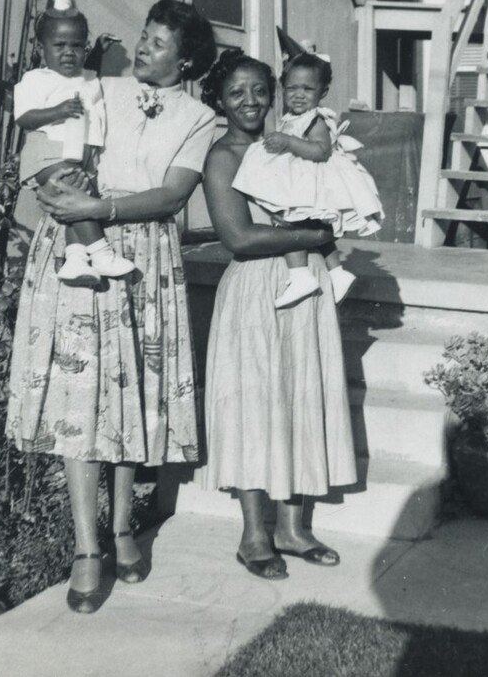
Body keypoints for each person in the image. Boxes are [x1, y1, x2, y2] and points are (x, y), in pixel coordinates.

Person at [6, 0, 218, 613]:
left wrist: (100, 208)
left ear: (185, 60)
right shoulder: (102, 88)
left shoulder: (198, 116)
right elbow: (44, 138)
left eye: (158, 42)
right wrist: (61, 194)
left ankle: (125, 528)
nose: (144, 47)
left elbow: (173, 194)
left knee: (134, 393)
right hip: (76, 242)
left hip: (142, 252)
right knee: (81, 397)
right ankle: (86, 547)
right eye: (145, 35)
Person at [197, 49, 357, 580]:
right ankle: (253, 535)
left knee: (302, 396)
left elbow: (331, 194)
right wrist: (313, 236)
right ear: (219, 99)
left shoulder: (294, 144)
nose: (250, 101)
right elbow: (238, 237)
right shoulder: (223, 156)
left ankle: (292, 528)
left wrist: (325, 228)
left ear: (274, 95)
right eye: (237, 92)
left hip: (304, 284)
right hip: (255, 290)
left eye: (259, 90)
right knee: (254, 406)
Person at [231, 50, 383, 308]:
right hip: (300, 176)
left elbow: (321, 151)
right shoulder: (293, 117)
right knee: (308, 227)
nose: (298, 95)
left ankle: (300, 274)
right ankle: (337, 272)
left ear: (322, 92)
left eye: (307, 89)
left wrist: (288, 142)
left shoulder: (316, 119)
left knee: (290, 224)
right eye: (291, 88)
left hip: (313, 179)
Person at [15, 0, 134, 283]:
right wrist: (57, 112)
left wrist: (98, 51)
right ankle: (102, 253)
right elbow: (24, 117)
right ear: (42, 48)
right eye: (60, 46)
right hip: (48, 152)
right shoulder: (37, 79)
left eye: (77, 46)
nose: (69, 53)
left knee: (78, 202)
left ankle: (76, 259)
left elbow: (84, 75)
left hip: (79, 155)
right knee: (76, 196)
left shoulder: (84, 76)